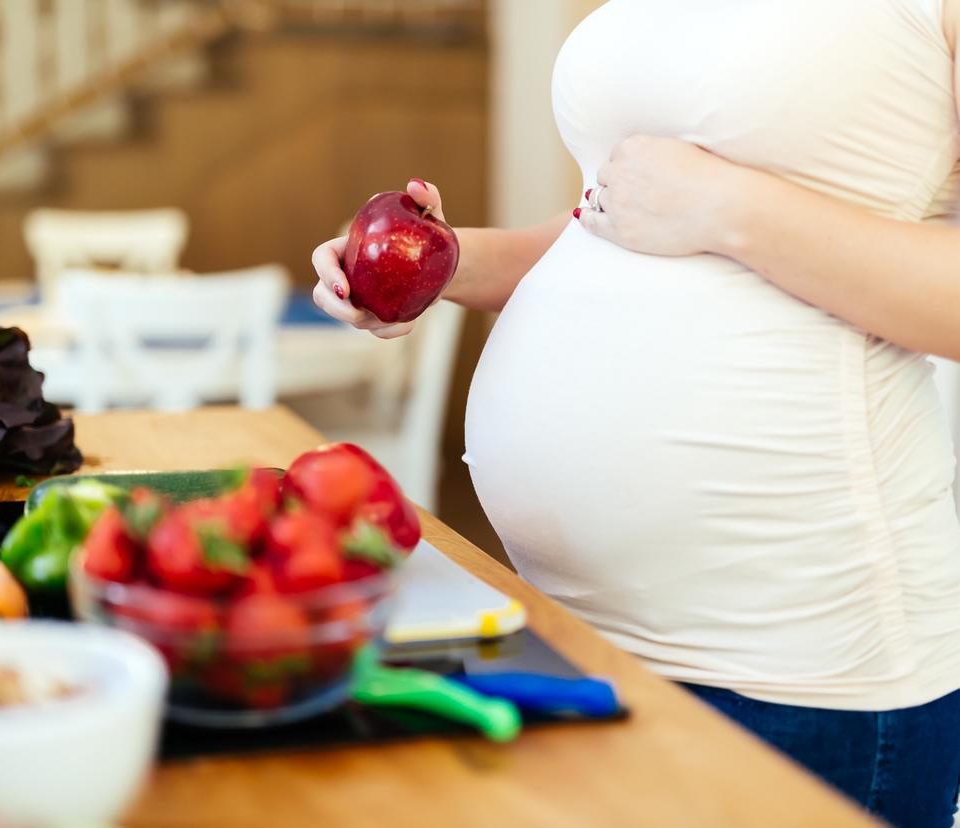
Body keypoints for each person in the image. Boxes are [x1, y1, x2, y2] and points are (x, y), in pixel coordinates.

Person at [312, 1, 960, 823]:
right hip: (564, 627)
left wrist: (731, 207)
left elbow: (697, 208)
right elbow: (617, 219)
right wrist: (447, 262)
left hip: (792, 669)